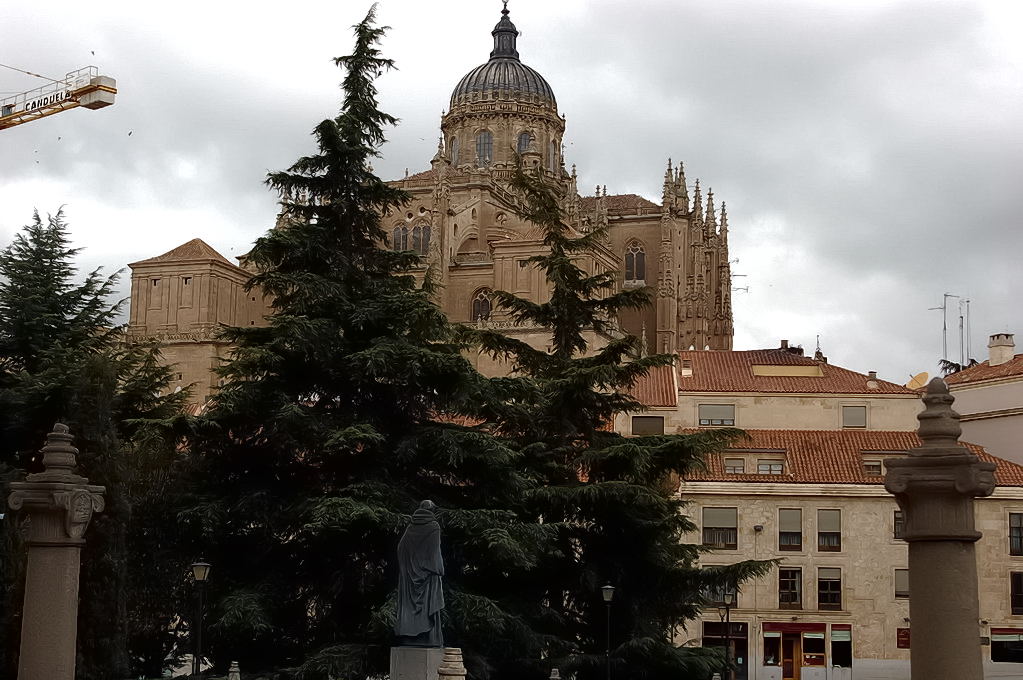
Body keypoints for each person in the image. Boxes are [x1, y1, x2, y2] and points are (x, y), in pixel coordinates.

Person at [395, 500, 444, 646]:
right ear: (432, 510)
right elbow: (434, 551)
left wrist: (407, 567)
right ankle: (429, 639)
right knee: (429, 607)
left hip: (410, 576)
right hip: (429, 575)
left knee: (411, 608)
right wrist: (438, 569)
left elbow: (401, 548)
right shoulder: (434, 526)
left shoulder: (411, 527)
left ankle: (410, 638)